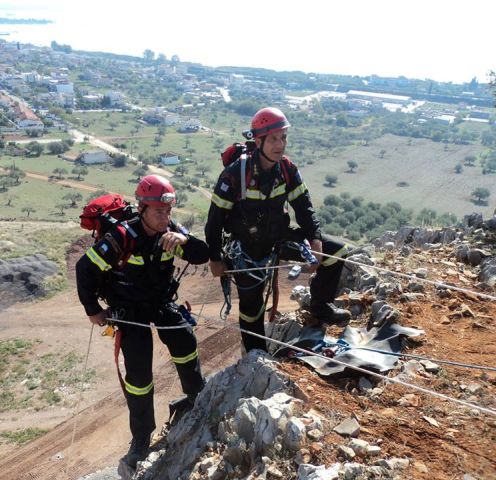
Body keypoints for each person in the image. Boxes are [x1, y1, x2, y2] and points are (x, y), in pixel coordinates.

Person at [76, 174, 208, 470]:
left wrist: (184, 240)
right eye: (159, 211)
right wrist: (92, 309)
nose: (165, 217)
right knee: (139, 375)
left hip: (159, 303)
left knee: (184, 340)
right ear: (143, 210)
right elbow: (85, 268)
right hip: (130, 312)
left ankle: (195, 396)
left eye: (169, 211)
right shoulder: (123, 236)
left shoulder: (171, 232)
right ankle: (141, 438)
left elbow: (202, 254)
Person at [205, 107, 350, 353]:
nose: (280, 144)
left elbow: (304, 208)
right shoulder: (235, 174)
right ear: (258, 140)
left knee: (337, 252)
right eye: (274, 139)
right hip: (245, 249)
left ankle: (319, 306)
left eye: (283, 138)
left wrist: (315, 241)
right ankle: (256, 354)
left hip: (278, 238)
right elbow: (215, 220)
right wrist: (216, 258)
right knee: (252, 308)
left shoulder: (286, 170)